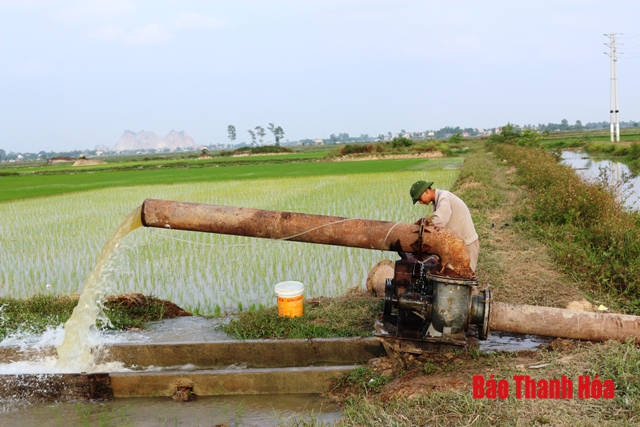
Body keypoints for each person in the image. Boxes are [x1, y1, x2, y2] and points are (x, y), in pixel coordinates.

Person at [410, 180, 479, 272]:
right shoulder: (437, 201)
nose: (420, 202)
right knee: (455, 278)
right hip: (458, 244)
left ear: (426, 191)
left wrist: (424, 230)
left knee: (465, 279)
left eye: (419, 199)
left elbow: (439, 221)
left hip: (467, 244)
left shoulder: (444, 198)